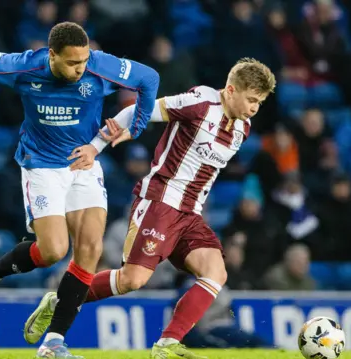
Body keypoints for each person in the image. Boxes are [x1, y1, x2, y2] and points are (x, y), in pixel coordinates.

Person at [0, 22, 159, 358]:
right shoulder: (25, 66)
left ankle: (53, 343)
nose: (80, 70)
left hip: (83, 163)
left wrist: (135, 128)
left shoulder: (100, 65)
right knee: (52, 251)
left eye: (83, 62)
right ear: (51, 55)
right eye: (71, 63)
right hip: (42, 165)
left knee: (90, 249)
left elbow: (149, 79)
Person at [27, 58, 276, 359]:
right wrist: (96, 147)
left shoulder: (242, 129)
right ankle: (61, 300)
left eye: (259, 102)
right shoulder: (200, 102)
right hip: (161, 202)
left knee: (216, 272)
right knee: (133, 280)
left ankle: (167, 344)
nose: (254, 108)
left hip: (190, 213)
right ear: (231, 89)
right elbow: (137, 109)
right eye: (251, 100)